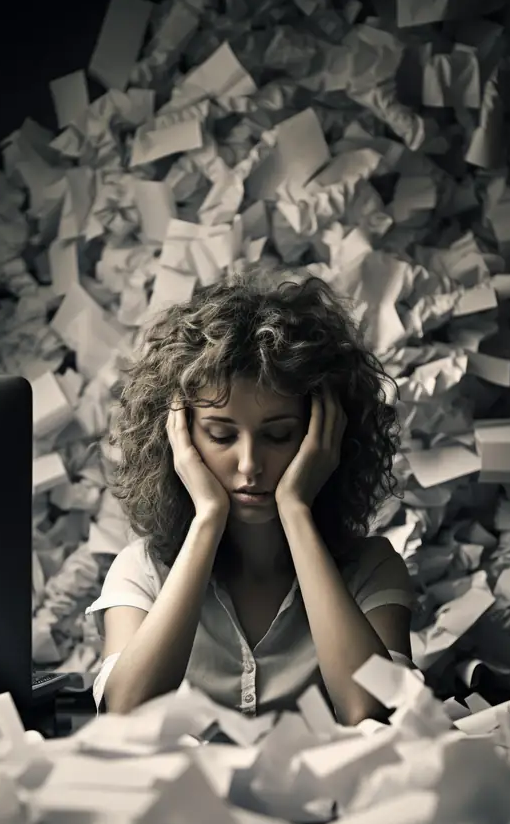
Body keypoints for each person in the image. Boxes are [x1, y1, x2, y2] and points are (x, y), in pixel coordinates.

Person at [85, 270, 417, 726]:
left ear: (324, 437)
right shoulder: (141, 569)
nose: (249, 465)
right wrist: (208, 519)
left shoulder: (371, 568)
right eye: (221, 435)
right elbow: (124, 713)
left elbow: (373, 709)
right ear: (179, 440)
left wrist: (296, 511)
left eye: (278, 435)